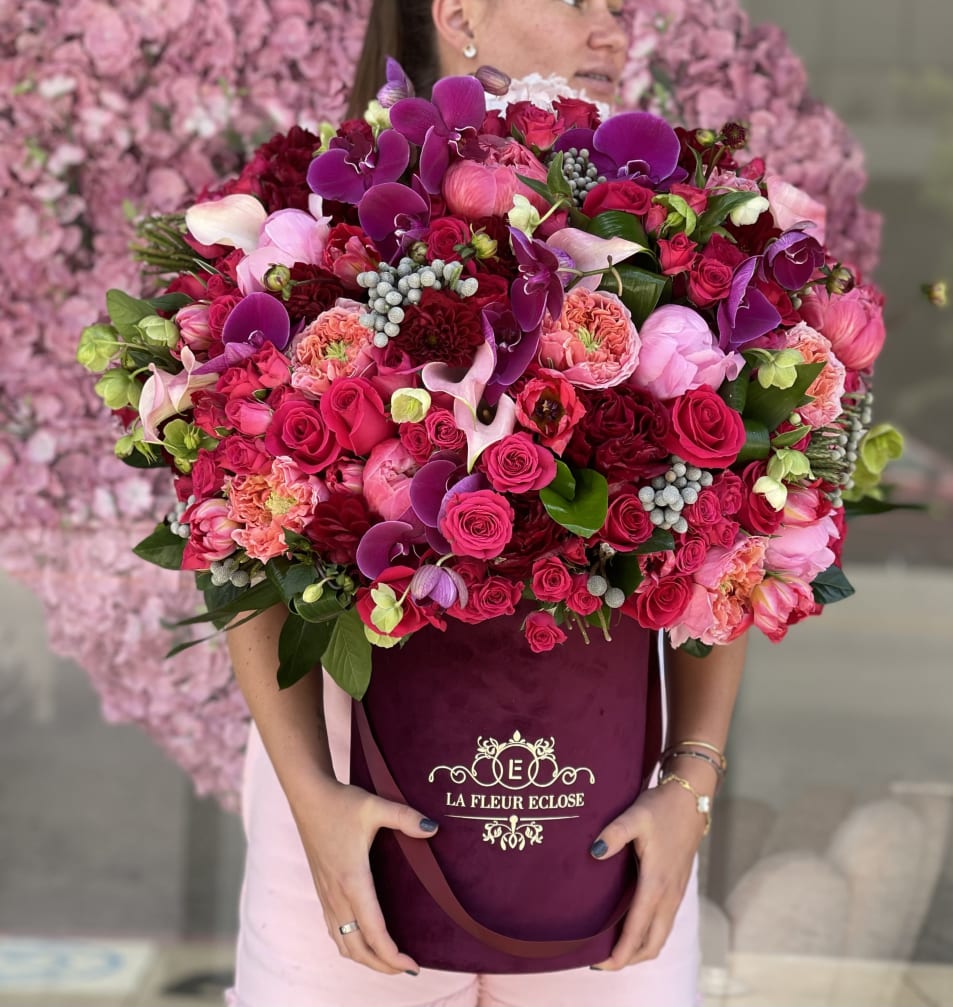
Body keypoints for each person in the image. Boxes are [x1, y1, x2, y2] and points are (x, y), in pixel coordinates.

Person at [226, 2, 748, 1005]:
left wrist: (690, 781)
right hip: (345, 796)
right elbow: (243, 542)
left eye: (618, 6)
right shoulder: (313, 224)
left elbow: (722, 542)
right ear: (458, 10)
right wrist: (310, 799)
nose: (612, 30)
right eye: (578, 0)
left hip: (604, 795)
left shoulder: (671, 233)